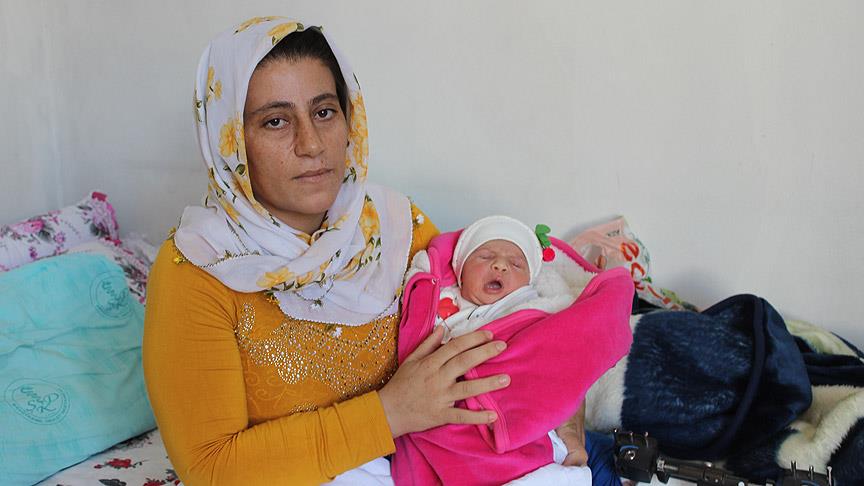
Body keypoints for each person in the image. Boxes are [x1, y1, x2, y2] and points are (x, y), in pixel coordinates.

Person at [142, 18, 515, 485]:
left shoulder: (396, 226)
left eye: (323, 112)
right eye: (275, 121)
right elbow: (210, 468)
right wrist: (390, 414)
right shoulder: (197, 269)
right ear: (229, 142)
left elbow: (512, 323)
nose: (312, 144)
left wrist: (568, 420)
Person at [392, 216, 634, 484]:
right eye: (484, 256)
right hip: (462, 417)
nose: (500, 264)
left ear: (530, 281)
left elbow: (569, 347)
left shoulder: (540, 308)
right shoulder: (445, 310)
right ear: (460, 273)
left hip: (528, 419)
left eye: (516, 263)